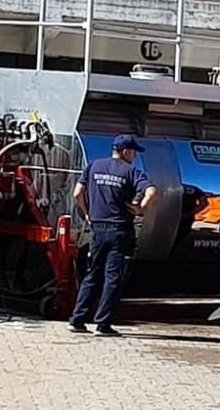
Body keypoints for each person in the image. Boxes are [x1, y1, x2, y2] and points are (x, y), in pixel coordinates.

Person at [68, 134, 158, 337]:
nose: (134, 156)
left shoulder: (94, 166)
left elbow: (76, 193)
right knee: (112, 277)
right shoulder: (131, 171)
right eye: (133, 152)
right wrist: (140, 208)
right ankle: (103, 324)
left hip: (97, 228)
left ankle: (77, 320)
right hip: (119, 230)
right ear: (126, 151)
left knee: (92, 274)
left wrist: (87, 212)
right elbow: (152, 191)